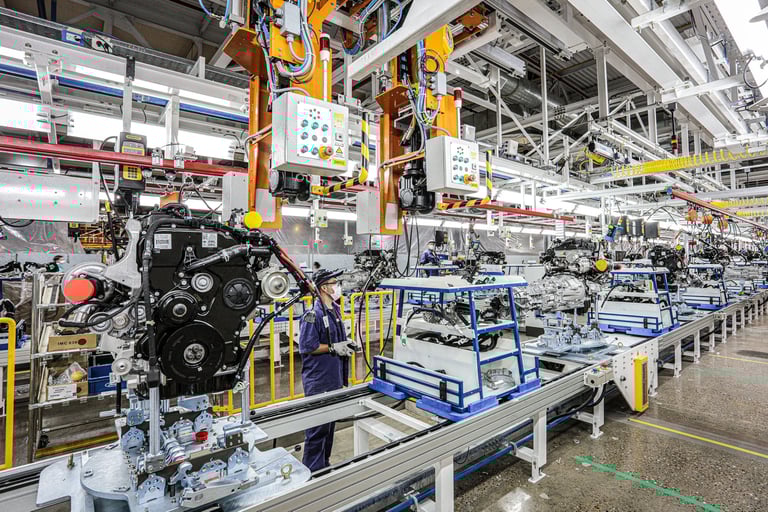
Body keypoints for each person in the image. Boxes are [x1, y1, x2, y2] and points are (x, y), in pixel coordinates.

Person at [298, 269, 358, 472]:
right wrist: (333, 347)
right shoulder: (312, 315)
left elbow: (336, 339)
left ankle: (324, 465)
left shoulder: (335, 310)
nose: (338, 286)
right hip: (319, 380)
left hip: (334, 378)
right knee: (317, 429)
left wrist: (346, 343)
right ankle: (312, 471)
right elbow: (307, 346)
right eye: (335, 283)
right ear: (324, 287)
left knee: (329, 426)